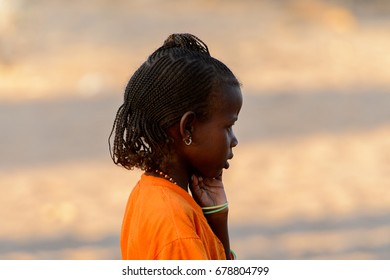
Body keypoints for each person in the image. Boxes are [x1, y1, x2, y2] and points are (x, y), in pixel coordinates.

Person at [109, 33, 243, 260]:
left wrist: (216, 218)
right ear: (188, 128)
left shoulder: (149, 192)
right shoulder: (176, 229)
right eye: (228, 126)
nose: (234, 140)